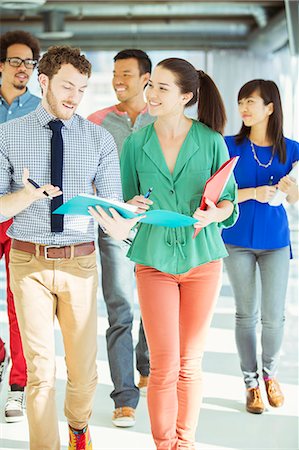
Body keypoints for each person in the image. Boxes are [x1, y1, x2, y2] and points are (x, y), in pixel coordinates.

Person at [90, 58, 238, 450]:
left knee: (190, 365)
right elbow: (124, 203)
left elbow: (228, 203)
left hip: (202, 261)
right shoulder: (136, 144)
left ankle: (184, 443)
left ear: (186, 97)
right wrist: (131, 208)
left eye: (162, 88)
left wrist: (213, 214)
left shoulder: (210, 140)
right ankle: (163, 444)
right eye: (151, 85)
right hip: (153, 261)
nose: (151, 94)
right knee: (163, 365)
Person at [0, 45, 140, 450]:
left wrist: (126, 214)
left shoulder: (98, 140)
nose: (74, 97)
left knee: (82, 372)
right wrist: (26, 196)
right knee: (41, 370)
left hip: (80, 262)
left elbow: (113, 212)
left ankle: (78, 426)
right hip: (28, 261)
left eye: (81, 89)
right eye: (66, 86)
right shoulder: (7, 136)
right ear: (43, 82)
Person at [222, 79, 299, 414]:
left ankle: (270, 375)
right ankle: (251, 383)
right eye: (241, 102)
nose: (244, 108)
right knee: (245, 314)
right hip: (236, 240)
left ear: (270, 107)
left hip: (275, 242)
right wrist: (253, 193)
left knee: (274, 317)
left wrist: (291, 190)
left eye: (251, 102)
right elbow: (216, 196)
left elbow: (295, 199)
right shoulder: (228, 146)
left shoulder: (293, 150)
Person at [88, 49, 153, 427]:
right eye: (115, 73)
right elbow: (86, 173)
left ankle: (145, 363)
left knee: (151, 307)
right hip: (113, 227)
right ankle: (124, 396)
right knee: (120, 310)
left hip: (154, 227)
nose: (118, 80)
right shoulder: (96, 122)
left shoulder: (161, 120)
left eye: (126, 74)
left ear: (146, 79)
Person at [0, 29, 41, 423]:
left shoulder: (40, 111)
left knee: (20, 302)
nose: (23, 69)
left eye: (29, 63)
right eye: (15, 61)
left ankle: (18, 387)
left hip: (24, 214)